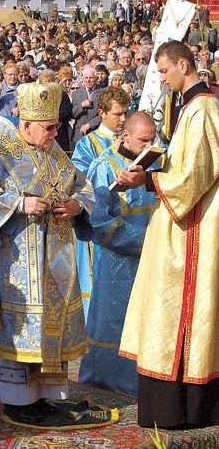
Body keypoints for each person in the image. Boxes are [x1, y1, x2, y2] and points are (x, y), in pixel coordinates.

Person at [0, 81, 94, 425]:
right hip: (14, 264)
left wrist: (76, 205)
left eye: (56, 126)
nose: (55, 132)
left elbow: (83, 186)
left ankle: (44, 398)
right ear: (26, 126)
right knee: (22, 331)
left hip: (54, 262)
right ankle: (17, 400)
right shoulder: (0, 152)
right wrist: (18, 204)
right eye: (48, 127)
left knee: (50, 329)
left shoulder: (55, 153)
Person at [117, 40, 218, 428]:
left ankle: (182, 409)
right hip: (179, 221)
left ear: (182, 64)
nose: (161, 78)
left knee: (179, 307)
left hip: (191, 227)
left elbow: (195, 174)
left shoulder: (203, 108)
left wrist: (148, 179)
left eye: (163, 71)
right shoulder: (189, 108)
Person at [78, 111, 157, 396]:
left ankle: (147, 382)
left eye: (152, 139)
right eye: (143, 140)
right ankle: (109, 383)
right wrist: (144, 241)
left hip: (154, 259)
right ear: (126, 135)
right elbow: (99, 220)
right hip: (117, 262)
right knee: (114, 321)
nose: (149, 146)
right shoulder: (105, 166)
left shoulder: (155, 165)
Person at [72, 86, 131, 318]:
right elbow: (82, 186)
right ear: (102, 113)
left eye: (126, 113)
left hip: (130, 224)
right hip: (99, 231)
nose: (123, 119)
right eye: (118, 114)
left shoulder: (133, 140)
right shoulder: (87, 145)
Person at [70, 66, 100, 146]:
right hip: (79, 134)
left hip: (96, 132)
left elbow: (104, 114)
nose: (88, 80)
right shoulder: (76, 93)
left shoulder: (103, 93)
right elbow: (72, 114)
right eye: (86, 78)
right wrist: (81, 106)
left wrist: (90, 124)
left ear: (96, 79)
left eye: (91, 78)